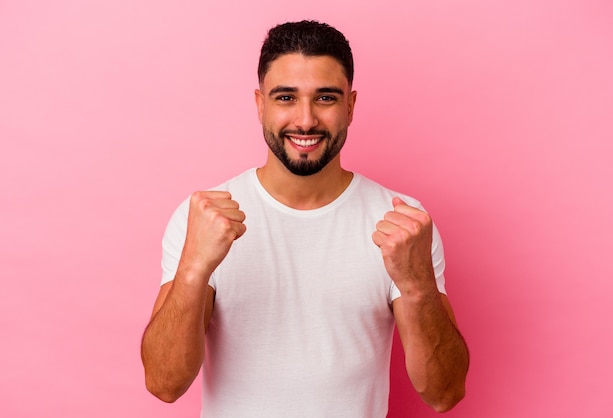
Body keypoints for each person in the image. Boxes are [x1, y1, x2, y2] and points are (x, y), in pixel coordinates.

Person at [141, 20, 469, 417]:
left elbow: (445, 392)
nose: (306, 120)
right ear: (260, 105)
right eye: (286, 98)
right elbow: (163, 384)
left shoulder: (402, 223)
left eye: (326, 98)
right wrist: (193, 269)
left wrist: (417, 288)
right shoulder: (204, 218)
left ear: (350, 105)